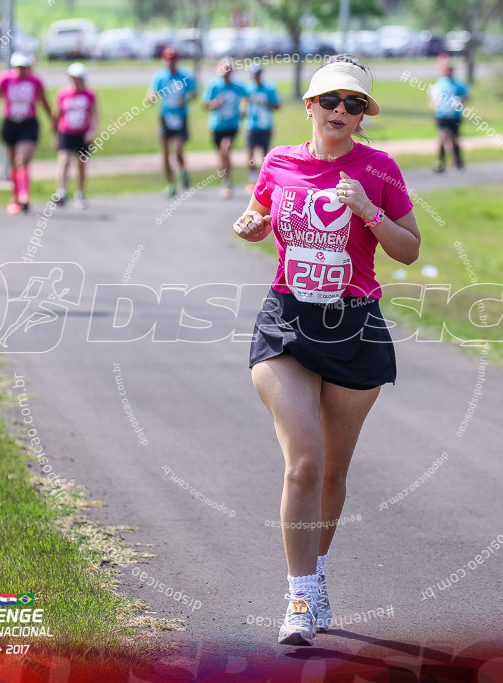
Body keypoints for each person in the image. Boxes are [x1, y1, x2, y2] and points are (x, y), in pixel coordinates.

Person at [232, 55, 420, 646]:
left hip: (355, 327)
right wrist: (252, 223)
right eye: (332, 101)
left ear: (364, 116)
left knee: (334, 470)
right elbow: (261, 210)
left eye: (355, 104)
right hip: (286, 320)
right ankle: (299, 596)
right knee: (305, 462)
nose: (342, 111)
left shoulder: (380, 168)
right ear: (310, 106)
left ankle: (313, 575)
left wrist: (369, 210)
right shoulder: (279, 161)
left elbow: (410, 249)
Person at [0, 53, 55, 214]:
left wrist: (53, 121)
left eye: (24, 67)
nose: (21, 70)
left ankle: (24, 195)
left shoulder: (35, 81)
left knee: (22, 160)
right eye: (18, 67)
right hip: (10, 123)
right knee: (13, 163)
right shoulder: (5, 79)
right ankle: (15, 198)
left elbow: (44, 102)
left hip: (28, 124)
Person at [149, 47, 197, 197]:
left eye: (173, 60)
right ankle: (170, 183)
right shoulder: (160, 77)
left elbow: (194, 93)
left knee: (178, 150)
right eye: (168, 60)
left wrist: (186, 99)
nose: (170, 63)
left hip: (180, 116)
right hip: (166, 116)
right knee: (165, 153)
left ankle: (183, 171)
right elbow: (152, 91)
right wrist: (151, 97)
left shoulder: (185, 76)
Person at [54, 62, 98, 210]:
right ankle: (61, 191)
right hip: (66, 131)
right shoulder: (63, 93)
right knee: (64, 160)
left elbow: (95, 115)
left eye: (78, 77)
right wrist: (55, 134)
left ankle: (79, 193)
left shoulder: (89, 94)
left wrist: (92, 131)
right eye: (73, 77)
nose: (76, 80)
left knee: (81, 165)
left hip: (82, 133)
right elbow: (57, 114)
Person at [203, 58, 249, 198]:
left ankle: (227, 181)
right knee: (221, 154)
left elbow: (246, 97)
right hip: (217, 124)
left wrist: (243, 110)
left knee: (226, 148)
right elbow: (206, 105)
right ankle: (225, 178)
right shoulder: (214, 86)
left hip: (232, 124)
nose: (226, 75)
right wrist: (215, 104)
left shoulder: (237, 85)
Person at [242, 65, 281, 193]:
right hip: (251, 125)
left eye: (258, 74)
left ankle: (265, 179)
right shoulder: (248, 88)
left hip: (265, 125)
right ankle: (252, 179)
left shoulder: (269, 88)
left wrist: (265, 103)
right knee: (250, 152)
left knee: (265, 154)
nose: (256, 77)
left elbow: (277, 106)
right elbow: (245, 102)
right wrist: (243, 112)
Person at [428, 64, 469, 172]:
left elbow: (467, 97)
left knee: (454, 138)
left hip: (455, 116)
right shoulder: (439, 84)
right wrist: (435, 108)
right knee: (443, 136)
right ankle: (440, 162)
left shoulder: (459, 85)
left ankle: (457, 159)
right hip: (442, 115)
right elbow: (432, 99)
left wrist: (459, 102)